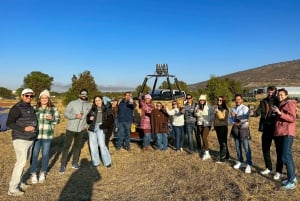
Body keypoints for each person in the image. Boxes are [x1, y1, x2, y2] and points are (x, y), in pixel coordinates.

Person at [6, 88, 38, 196]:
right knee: (20, 163)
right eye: (26, 95)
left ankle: (20, 182)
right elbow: (10, 123)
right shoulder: (17, 108)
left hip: (30, 139)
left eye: (31, 96)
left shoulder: (30, 107)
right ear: (22, 96)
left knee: (24, 163)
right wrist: (24, 129)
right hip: (21, 139)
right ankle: (13, 189)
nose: (29, 97)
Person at [30, 90, 60, 184]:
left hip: (47, 135)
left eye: (46, 97)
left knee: (46, 155)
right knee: (34, 155)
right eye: (42, 97)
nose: (44, 99)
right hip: (36, 136)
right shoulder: (35, 108)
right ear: (40, 99)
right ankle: (33, 173)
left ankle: (43, 172)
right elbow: (30, 120)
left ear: (48, 99)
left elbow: (58, 120)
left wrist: (53, 118)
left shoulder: (53, 109)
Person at [251, 86, 281, 177]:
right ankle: (268, 168)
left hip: (276, 129)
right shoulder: (263, 101)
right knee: (265, 149)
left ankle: (278, 171)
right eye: (268, 92)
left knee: (279, 151)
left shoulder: (278, 101)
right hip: (266, 128)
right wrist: (252, 113)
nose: (270, 94)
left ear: (275, 92)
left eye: (272, 92)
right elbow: (257, 112)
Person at [59, 89, 92, 174]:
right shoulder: (72, 103)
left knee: (77, 147)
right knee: (67, 147)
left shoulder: (89, 105)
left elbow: (89, 118)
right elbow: (66, 114)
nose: (84, 95)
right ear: (79, 95)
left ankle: (74, 163)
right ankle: (63, 164)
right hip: (70, 129)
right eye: (82, 94)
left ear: (87, 95)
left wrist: (86, 126)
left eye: (85, 94)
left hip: (81, 130)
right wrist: (75, 116)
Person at [272, 88, 297, 190]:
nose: (279, 96)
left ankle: (291, 181)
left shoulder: (289, 103)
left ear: (286, 95)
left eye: (282, 94)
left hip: (287, 133)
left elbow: (292, 118)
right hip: (282, 133)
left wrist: (279, 113)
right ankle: (292, 178)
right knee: (288, 156)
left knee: (285, 156)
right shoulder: (281, 104)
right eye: (278, 94)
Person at [86, 96, 113, 168]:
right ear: (94, 102)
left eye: (99, 100)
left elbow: (111, 120)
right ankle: (96, 162)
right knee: (93, 146)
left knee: (102, 145)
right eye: (96, 101)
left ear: (102, 101)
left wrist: (102, 126)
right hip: (92, 129)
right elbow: (88, 120)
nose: (97, 102)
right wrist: (89, 119)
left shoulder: (106, 109)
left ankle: (107, 162)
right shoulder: (92, 109)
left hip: (100, 128)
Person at [230, 94, 252, 173]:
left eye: (239, 99)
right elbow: (230, 119)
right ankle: (240, 161)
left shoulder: (245, 108)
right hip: (235, 130)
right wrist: (233, 121)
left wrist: (236, 118)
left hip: (243, 129)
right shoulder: (233, 108)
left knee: (246, 147)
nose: (237, 101)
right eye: (236, 99)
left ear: (242, 100)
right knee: (237, 146)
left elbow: (246, 118)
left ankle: (249, 164)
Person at [194, 94, 214, 160]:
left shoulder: (209, 106)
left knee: (204, 137)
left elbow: (213, 115)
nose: (201, 101)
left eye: (203, 100)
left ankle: (207, 153)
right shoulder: (197, 106)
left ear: (205, 100)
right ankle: (206, 151)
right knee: (202, 137)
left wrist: (208, 119)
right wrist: (197, 112)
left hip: (207, 124)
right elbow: (195, 114)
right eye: (200, 100)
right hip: (200, 123)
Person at [213, 96, 230, 163]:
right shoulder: (216, 108)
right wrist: (214, 126)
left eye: (220, 100)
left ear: (223, 101)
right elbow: (215, 119)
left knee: (223, 142)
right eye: (218, 100)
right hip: (217, 127)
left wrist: (218, 111)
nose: (219, 101)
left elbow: (223, 118)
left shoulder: (225, 109)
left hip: (223, 127)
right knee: (222, 142)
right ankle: (227, 156)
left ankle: (222, 158)